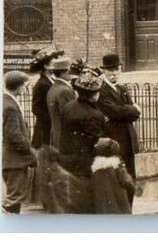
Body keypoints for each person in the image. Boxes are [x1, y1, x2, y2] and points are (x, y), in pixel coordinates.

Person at [53, 69, 107, 213]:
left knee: (72, 197)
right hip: (84, 163)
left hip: (67, 158)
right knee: (86, 201)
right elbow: (94, 141)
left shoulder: (68, 107)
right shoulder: (94, 115)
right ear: (94, 95)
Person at [96, 53, 141, 194]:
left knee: (130, 179)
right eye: (110, 70)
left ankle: (128, 211)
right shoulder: (101, 91)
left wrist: (128, 111)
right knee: (116, 180)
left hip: (128, 139)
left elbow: (133, 113)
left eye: (116, 69)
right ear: (104, 71)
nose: (114, 73)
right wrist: (131, 109)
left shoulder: (122, 89)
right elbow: (115, 111)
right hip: (113, 139)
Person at [28, 45, 64, 211]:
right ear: (45, 65)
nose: (55, 62)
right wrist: (51, 119)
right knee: (45, 163)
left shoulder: (52, 81)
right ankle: (46, 199)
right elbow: (36, 108)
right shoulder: (41, 84)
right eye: (52, 60)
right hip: (44, 128)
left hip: (51, 127)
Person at [2, 70, 36, 213]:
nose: (25, 89)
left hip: (12, 160)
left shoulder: (6, 101)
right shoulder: (10, 106)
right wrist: (30, 153)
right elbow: (15, 135)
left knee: (15, 196)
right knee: (15, 198)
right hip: (15, 160)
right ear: (19, 86)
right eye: (24, 86)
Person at [91, 138, 135, 214]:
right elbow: (127, 182)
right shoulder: (118, 167)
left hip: (102, 207)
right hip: (119, 206)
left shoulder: (95, 169)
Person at [46, 56, 76, 155]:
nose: (72, 74)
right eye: (70, 71)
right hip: (66, 139)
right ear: (64, 72)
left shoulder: (54, 87)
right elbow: (70, 115)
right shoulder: (64, 90)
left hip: (57, 135)